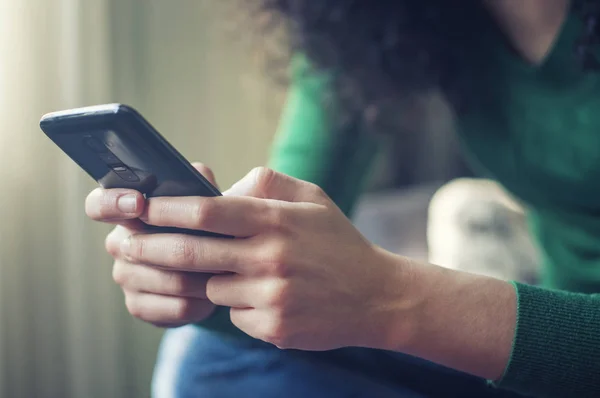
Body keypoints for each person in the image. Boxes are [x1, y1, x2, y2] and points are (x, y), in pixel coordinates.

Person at [85, 0, 600, 397]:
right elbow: (283, 226)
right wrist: (201, 268)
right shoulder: (380, 17)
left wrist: (392, 296)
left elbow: (382, 297)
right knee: (213, 355)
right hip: (530, 370)